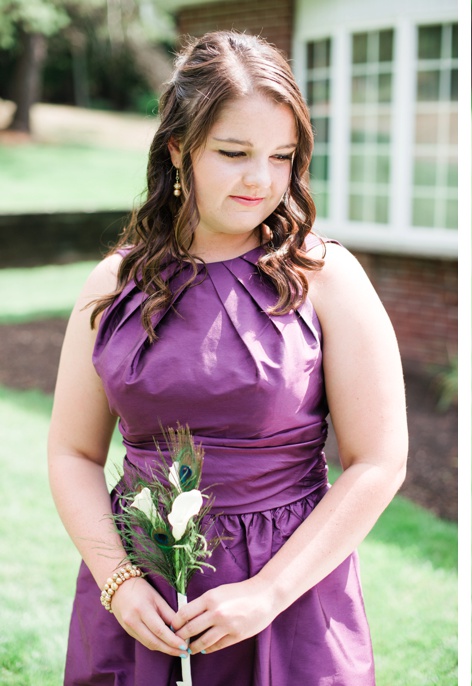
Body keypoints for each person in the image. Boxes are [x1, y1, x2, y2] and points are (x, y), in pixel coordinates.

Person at [48, 31, 406, 684]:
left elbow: (378, 462)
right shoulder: (111, 286)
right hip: (142, 596)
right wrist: (119, 580)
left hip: (288, 593)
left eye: (282, 156)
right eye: (235, 152)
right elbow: (72, 453)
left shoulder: (327, 278)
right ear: (179, 148)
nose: (261, 179)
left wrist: (269, 591)